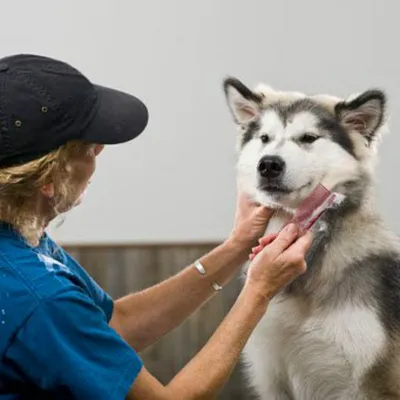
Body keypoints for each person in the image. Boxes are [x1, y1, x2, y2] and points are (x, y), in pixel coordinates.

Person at [0, 54, 312, 399]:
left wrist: (236, 247)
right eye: (88, 146)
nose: (100, 150)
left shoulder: (18, 235)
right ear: (47, 179)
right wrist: (259, 290)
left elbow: (114, 324)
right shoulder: (40, 297)